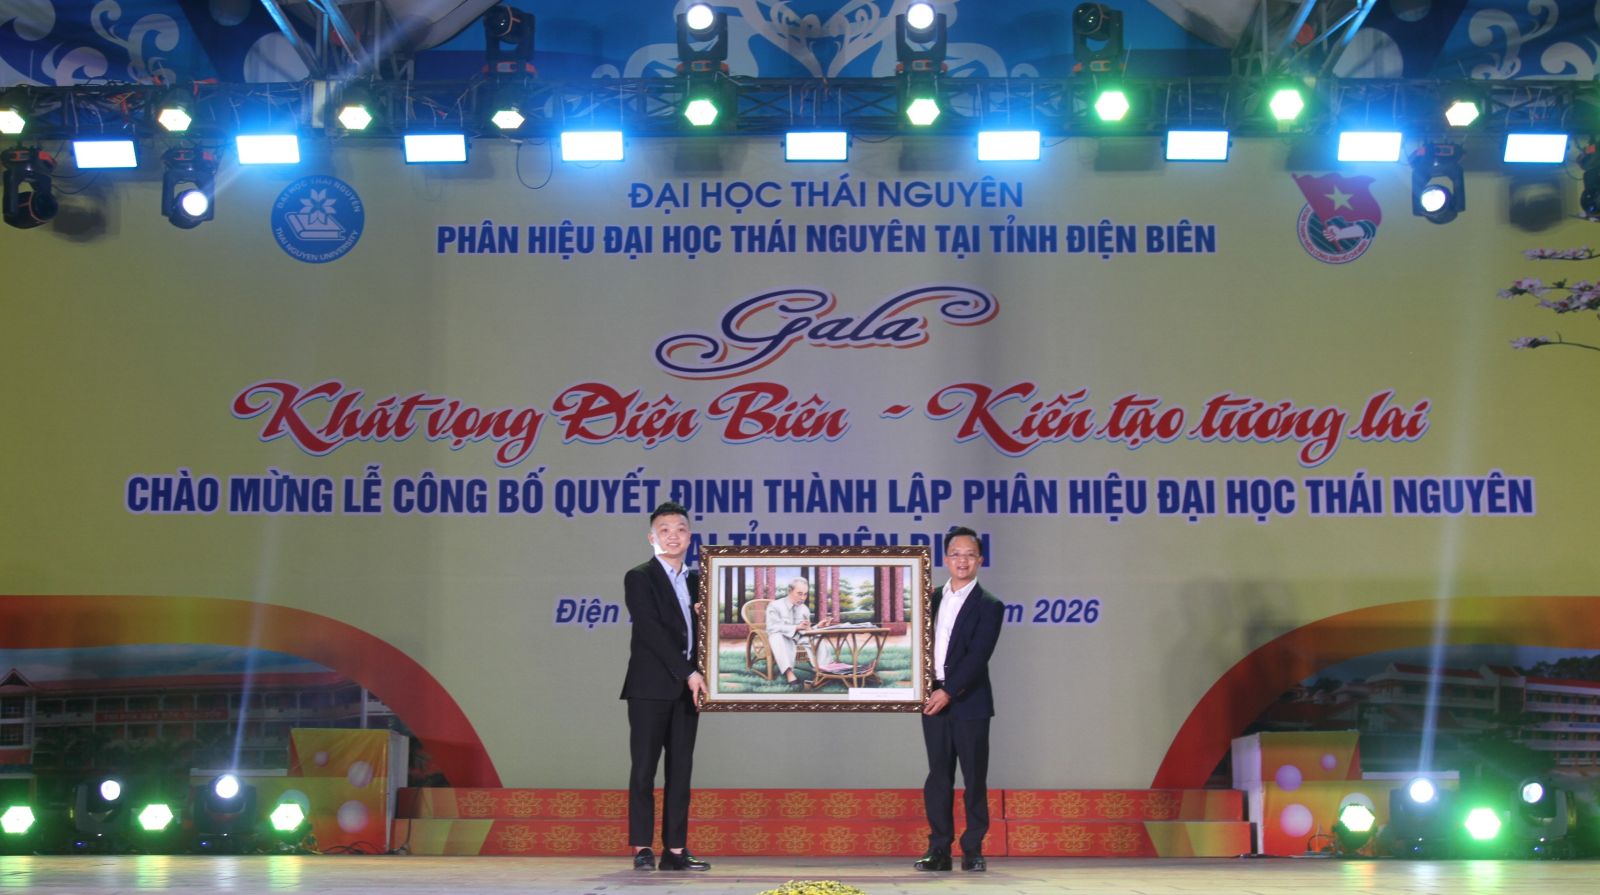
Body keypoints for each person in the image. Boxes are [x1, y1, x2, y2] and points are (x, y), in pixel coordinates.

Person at [620, 501, 710, 872]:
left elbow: (708, 634)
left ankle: (675, 850)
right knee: (644, 769)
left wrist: (707, 621)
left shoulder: (698, 580)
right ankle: (642, 847)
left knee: (681, 771)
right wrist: (688, 672)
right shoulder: (639, 577)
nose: (673, 536)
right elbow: (651, 631)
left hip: (688, 690)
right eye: (665, 530)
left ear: (690, 537)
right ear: (651, 537)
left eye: (681, 529)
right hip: (649, 688)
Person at [914, 526, 1004, 873]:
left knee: (974, 777)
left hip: (970, 701)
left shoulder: (989, 605)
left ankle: (973, 849)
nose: (962, 560)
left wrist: (949, 691)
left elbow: (978, 656)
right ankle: (938, 850)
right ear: (946, 559)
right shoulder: (929, 599)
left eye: (969, 555)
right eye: (956, 554)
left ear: (980, 560)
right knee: (938, 776)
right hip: (932, 699)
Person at [763, 578, 834, 685]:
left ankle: (825, 670)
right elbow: (772, 627)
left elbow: (805, 629)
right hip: (782, 637)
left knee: (816, 638)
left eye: (805, 594)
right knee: (776, 637)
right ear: (789, 591)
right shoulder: (775, 606)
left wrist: (817, 626)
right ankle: (789, 673)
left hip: (799, 638)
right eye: (799, 594)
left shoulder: (804, 608)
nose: (803, 598)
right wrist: (796, 627)